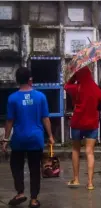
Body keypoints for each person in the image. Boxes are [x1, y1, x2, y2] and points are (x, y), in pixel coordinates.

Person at [1, 67, 55, 208]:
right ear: (30, 79)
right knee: (35, 169)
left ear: (17, 80)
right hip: (36, 139)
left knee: (16, 166)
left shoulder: (12, 98)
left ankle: (20, 193)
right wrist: (50, 136)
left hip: (19, 139)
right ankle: (34, 199)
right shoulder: (40, 97)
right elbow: (45, 118)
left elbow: (10, 121)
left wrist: (5, 140)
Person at [64, 66, 101, 190]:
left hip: (77, 123)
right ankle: (90, 183)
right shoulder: (95, 88)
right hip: (92, 123)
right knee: (90, 152)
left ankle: (76, 179)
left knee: (75, 150)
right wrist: (98, 107)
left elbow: (66, 86)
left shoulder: (75, 88)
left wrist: (73, 78)